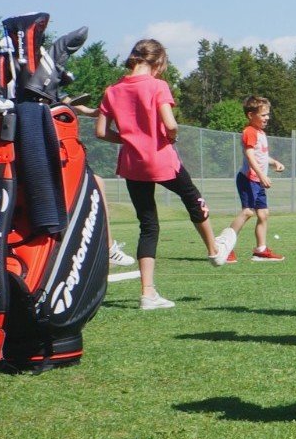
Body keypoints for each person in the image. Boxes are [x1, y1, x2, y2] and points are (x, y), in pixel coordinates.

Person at [95, 39, 228, 310]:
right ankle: (214, 251)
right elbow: (171, 123)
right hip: (161, 160)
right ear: (157, 62)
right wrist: (171, 135)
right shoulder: (158, 86)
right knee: (193, 199)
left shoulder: (112, 90)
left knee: (148, 225)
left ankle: (148, 293)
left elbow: (100, 131)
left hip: (132, 164)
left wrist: (129, 140)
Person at [221, 96, 286, 262]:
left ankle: (260, 250)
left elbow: (261, 156)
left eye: (268, 115)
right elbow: (250, 155)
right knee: (248, 212)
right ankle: (224, 247)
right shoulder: (249, 132)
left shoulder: (260, 133)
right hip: (248, 179)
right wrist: (262, 175)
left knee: (263, 214)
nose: (267, 118)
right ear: (251, 115)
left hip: (257, 181)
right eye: (263, 115)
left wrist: (274, 163)